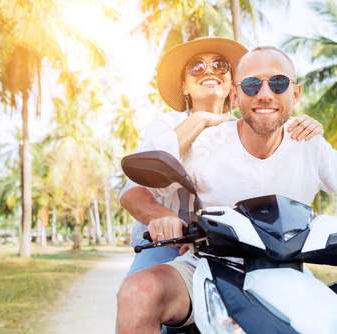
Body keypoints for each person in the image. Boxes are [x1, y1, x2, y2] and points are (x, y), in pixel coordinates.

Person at [117, 46, 337, 333]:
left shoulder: (309, 142)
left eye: (278, 83)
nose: (265, 94)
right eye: (252, 84)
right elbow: (137, 187)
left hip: (287, 268)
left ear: (296, 93)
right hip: (205, 265)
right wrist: (162, 217)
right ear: (236, 95)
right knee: (139, 291)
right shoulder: (202, 141)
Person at [120, 37, 324, 275]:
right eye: (196, 66)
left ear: (232, 83)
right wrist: (201, 119)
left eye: (220, 65)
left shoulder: (251, 126)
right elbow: (134, 190)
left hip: (238, 245)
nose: (208, 70)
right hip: (171, 244)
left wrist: (308, 129)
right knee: (140, 298)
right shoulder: (167, 124)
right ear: (184, 86)